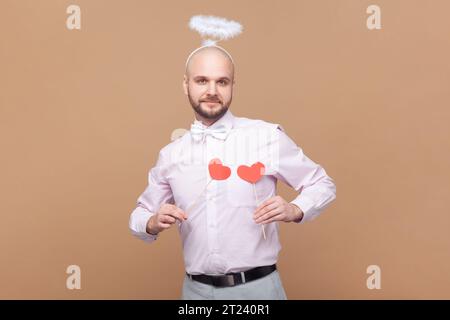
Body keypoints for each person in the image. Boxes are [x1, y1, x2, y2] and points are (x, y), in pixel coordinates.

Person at [129, 45, 337, 299]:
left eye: (222, 82)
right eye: (202, 80)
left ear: (232, 87)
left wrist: (295, 209)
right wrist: (151, 222)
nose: (212, 91)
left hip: (259, 291)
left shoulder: (265, 136)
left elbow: (321, 183)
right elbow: (139, 215)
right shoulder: (171, 155)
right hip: (196, 293)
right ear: (186, 85)